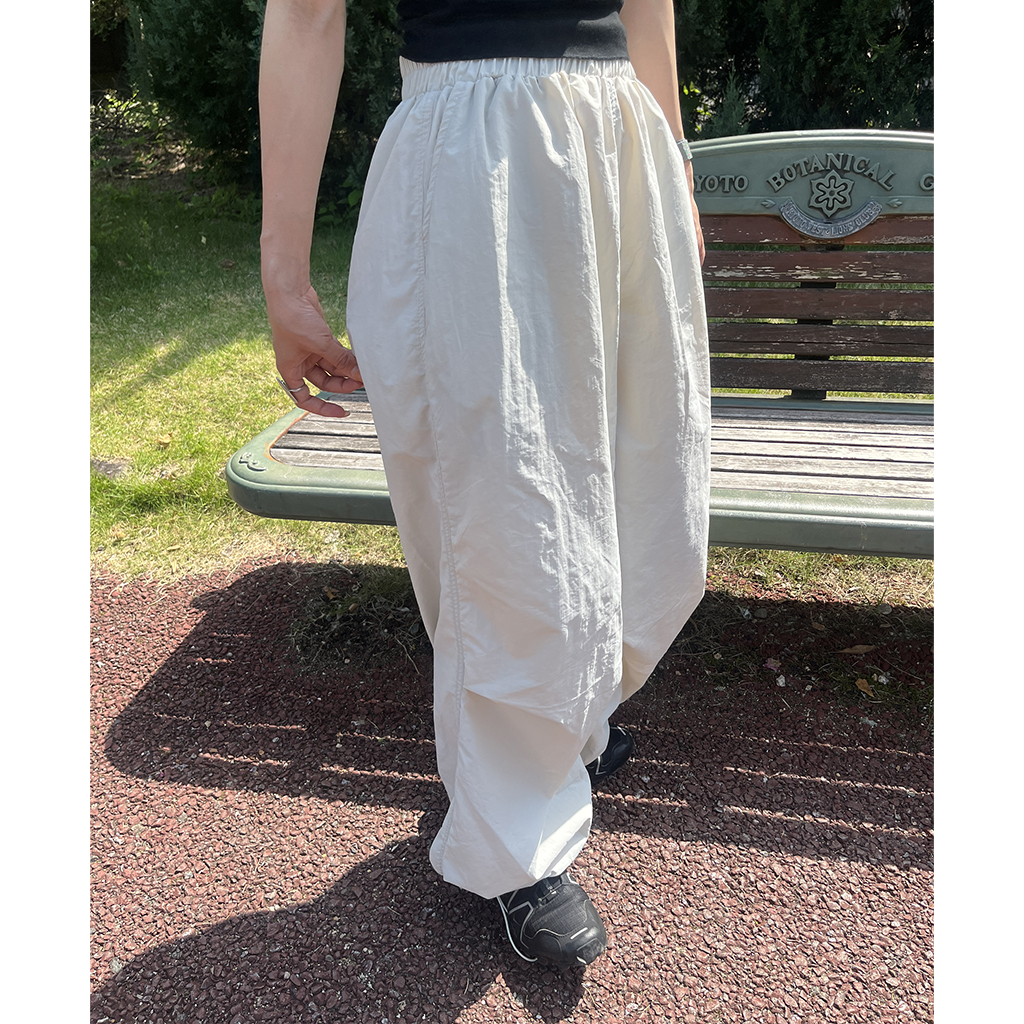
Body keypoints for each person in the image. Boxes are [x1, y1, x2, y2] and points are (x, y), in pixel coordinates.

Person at [259, 0, 710, 968]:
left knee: (646, 477)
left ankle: (571, 717)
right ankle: (513, 843)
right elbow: (305, 14)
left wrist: (673, 157)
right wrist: (283, 275)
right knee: (503, 512)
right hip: (472, 147)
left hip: (620, 134)